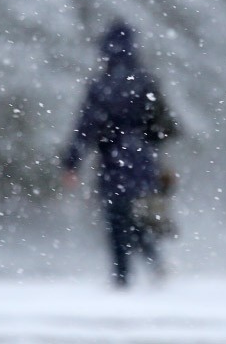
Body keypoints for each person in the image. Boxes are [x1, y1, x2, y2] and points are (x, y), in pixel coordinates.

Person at [61, 20, 176, 288]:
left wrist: (72, 164)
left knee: (116, 220)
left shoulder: (100, 86)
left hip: (112, 162)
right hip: (144, 161)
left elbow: (85, 127)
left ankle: (122, 276)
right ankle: (155, 263)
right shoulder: (146, 81)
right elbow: (163, 126)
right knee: (139, 219)